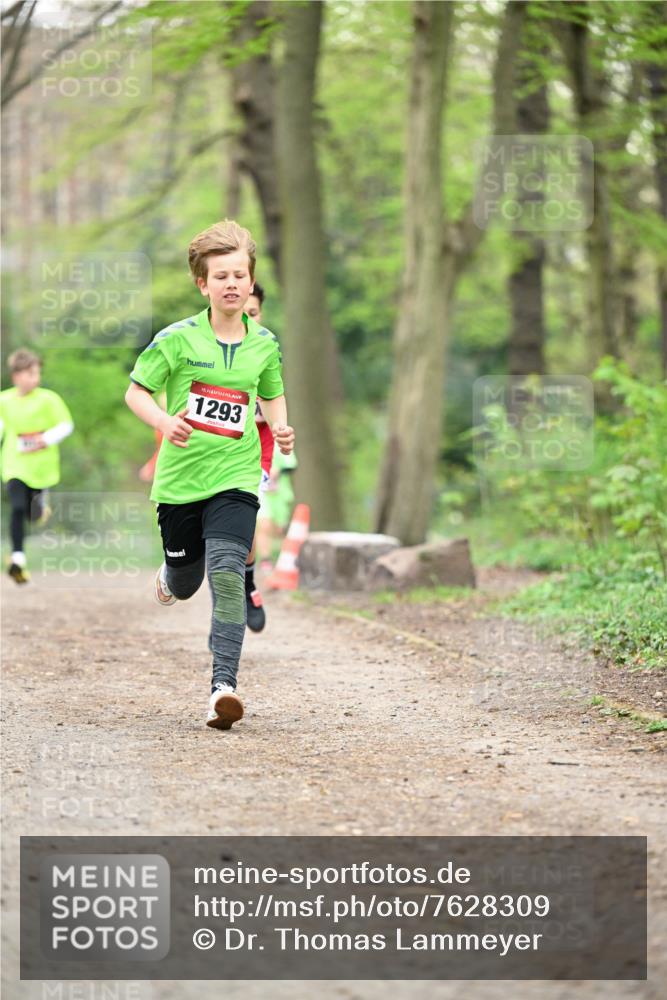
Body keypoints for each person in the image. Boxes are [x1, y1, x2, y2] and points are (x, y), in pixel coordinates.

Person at [125, 219, 294, 730]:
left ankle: (224, 686)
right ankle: (171, 574)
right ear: (203, 284)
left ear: (250, 281)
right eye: (221, 276)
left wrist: (281, 427)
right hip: (179, 483)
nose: (232, 284)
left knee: (225, 570)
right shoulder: (175, 340)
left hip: (237, 475)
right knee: (187, 580)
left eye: (240, 275)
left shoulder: (263, 342)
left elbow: (271, 391)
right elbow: (136, 391)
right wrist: (163, 419)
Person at [135, 282, 273, 634]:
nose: (246, 315)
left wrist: (281, 431)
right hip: (196, 461)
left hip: (250, 456)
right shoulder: (198, 349)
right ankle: (182, 573)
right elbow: (172, 416)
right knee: (200, 560)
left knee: (239, 531)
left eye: (253, 312)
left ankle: (246, 585)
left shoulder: (262, 348)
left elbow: (276, 408)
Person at [0, 349, 74, 584]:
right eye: (30, 373)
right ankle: (18, 559)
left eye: (37, 373)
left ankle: (41, 508)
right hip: (14, 463)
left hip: (42, 467)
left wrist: (46, 439)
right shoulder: (4, 400)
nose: (35, 378)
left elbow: (66, 425)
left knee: (33, 514)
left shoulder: (48, 399)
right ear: (16, 376)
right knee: (18, 507)